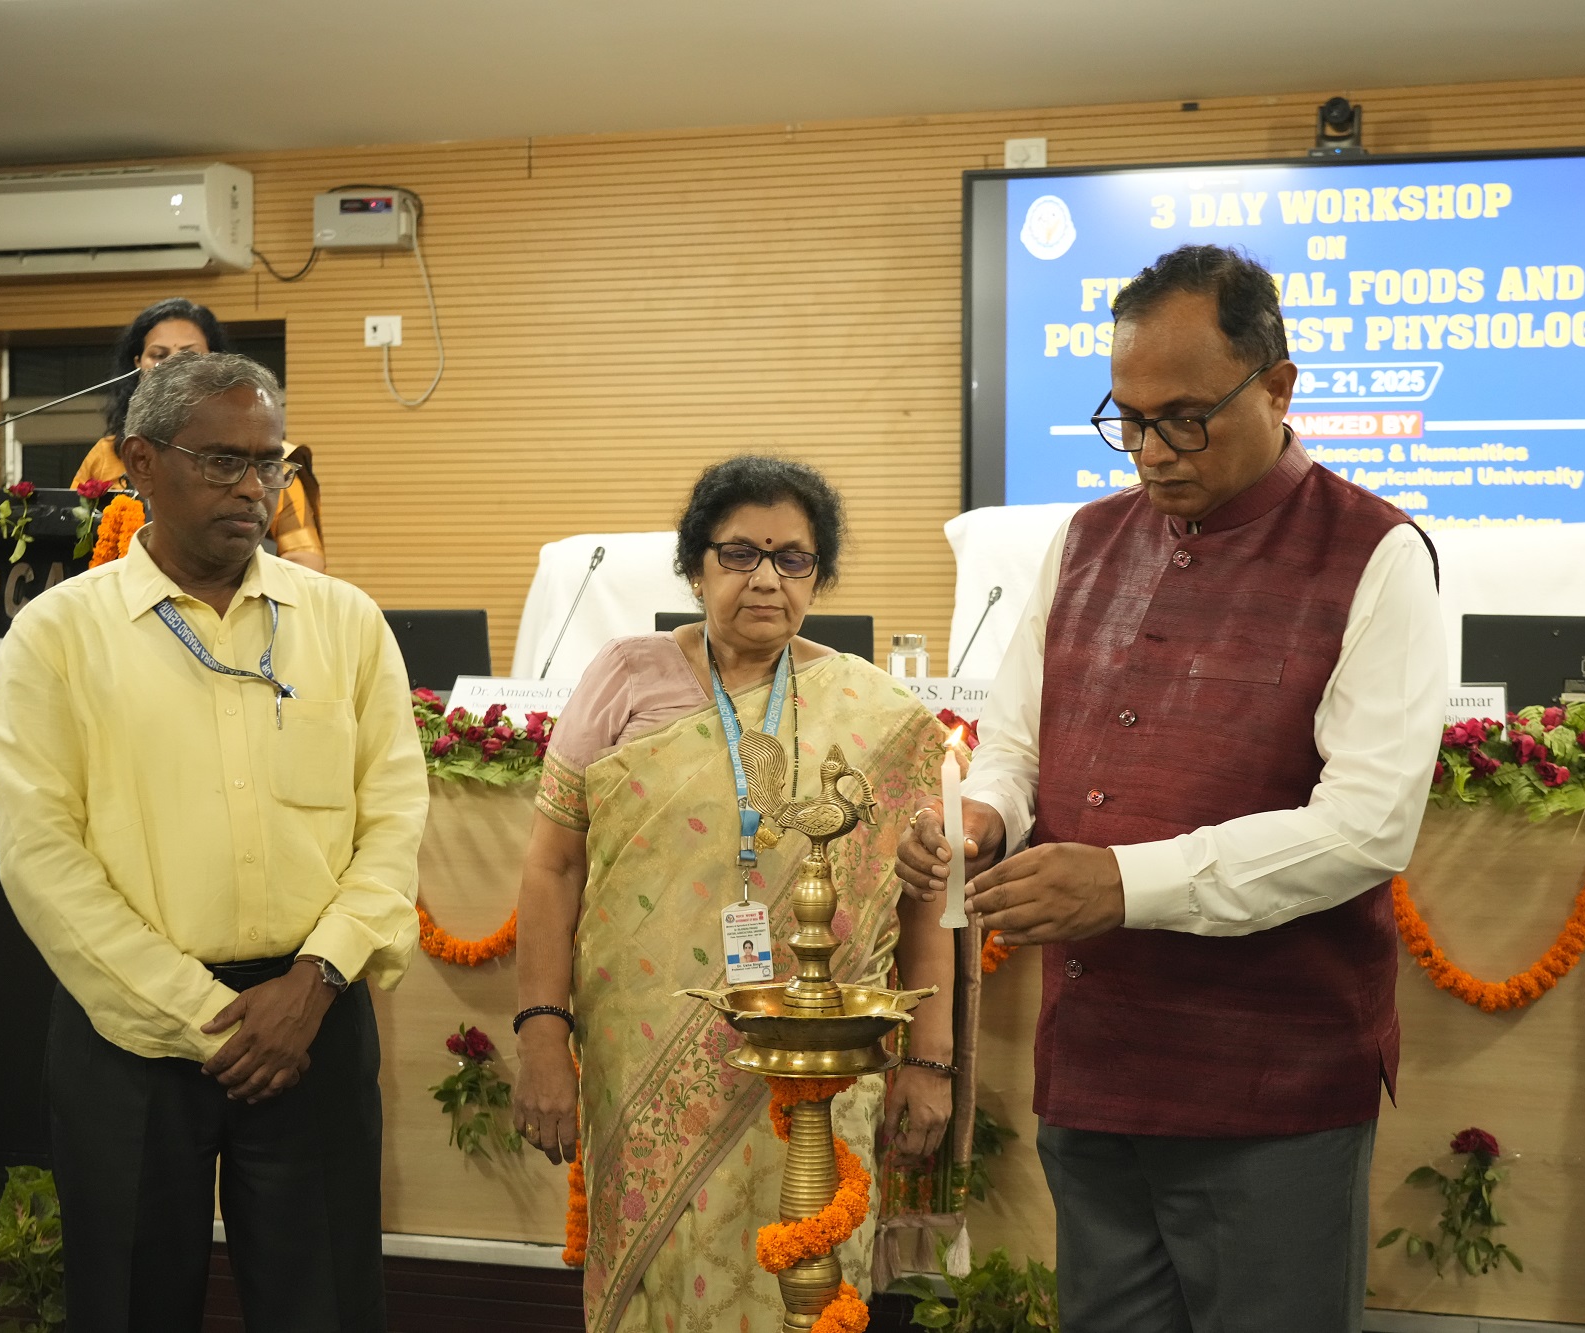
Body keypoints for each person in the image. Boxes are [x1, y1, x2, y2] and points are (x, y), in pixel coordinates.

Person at [897, 244, 1445, 1333]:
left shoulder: (1374, 552)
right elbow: (1016, 747)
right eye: (1130, 420)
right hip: (1093, 1065)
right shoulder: (1084, 542)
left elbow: (1366, 828)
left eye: (1185, 419)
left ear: (1277, 386)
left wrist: (1121, 884)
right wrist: (985, 815)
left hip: (1270, 1088)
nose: (1152, 452)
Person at [0, 352, 429, 1331]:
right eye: (224, 460)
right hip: (129, 1031)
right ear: (141, 462)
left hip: (312, 1014)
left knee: (324, 1303)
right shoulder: (58, 635)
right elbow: (44, 860)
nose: (253, 487)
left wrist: (316, 980)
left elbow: (395, 820)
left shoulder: (346, 623)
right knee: (129, 1300)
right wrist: (208, 1017)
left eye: (271, 463)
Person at [508, 455, 968, 1333]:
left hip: (819, 1067)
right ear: (696, 566)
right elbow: (552, 867)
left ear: (817, 576)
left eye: (792, 558)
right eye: (740, 553)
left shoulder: (876, 713)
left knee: (805, 1271)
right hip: (644, 1059)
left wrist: (931, 1059)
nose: (765, 578)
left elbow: (922, 898)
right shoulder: (625, 678)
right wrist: (540, 1035)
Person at [73, 297, 327, 572]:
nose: (172, 366)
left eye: (189, 355)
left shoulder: (267, 462)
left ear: (218, 363)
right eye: (158, 355)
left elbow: (305, 560)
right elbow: (67, 538)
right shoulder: (107, 455)